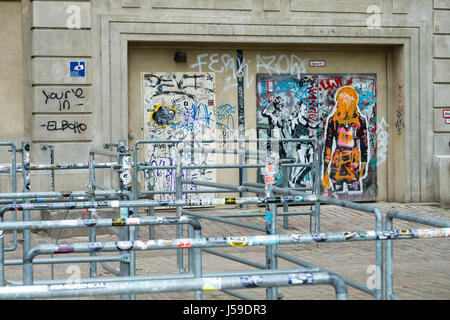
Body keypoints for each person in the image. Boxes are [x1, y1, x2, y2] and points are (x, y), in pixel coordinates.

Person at [322, 86, 369, 194]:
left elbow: (364, 144)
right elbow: (328, 145)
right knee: (338, 195)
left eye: (347, 102)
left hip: (353, 164)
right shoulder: (333, 121)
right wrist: (325, 169)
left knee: (354, 195)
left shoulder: (360, 121)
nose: (344, 105)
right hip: (337, 163)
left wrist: (363, 164)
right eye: (342, 102)